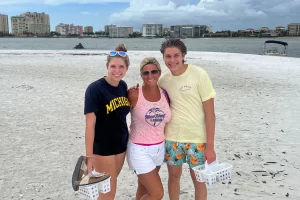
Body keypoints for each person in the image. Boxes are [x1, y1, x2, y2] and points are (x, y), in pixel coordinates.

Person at [158, 38, 216, 200]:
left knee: (199, 180)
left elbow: (210, 114)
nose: (172, 60)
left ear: (184, 55)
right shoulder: (163, 81)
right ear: (163, 57)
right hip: (172, 138)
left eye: (176, 55)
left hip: (197, 139)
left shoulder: (199, 74)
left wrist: (210, 146)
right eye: (168, 56)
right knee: (173, 177)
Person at [84, 44, 131, 200]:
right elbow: (90, 124)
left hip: (121, 144)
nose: (117, 70)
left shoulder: (123, 86)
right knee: (108, 192)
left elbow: (123, 112)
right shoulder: (95, 89)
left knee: (109, 187)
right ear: (107, 67)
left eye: (121, 67)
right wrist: (89, 157)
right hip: (103, 148)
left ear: (126, 68)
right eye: (113, 66)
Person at [127, 57, 171, 200]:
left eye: (154, 71)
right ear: (141, 75)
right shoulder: (134, 94)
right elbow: (117, 116)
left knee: (144, 187)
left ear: (159, 72)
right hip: (139, 149)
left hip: (159, 148)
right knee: (157, 193)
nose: (150, 76)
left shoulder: (164, 93)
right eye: (145, 73)